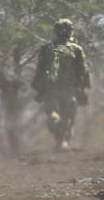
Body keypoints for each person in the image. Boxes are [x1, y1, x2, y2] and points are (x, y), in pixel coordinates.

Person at [31, 19, 91, 151]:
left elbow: (40, 69)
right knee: (69, 116)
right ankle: (63, 141)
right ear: (70, 31)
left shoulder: (46, 48)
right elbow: (84, 70)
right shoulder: (76, 49)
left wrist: (36, 84)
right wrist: (84, 88)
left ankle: (57, 126)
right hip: (69, 88)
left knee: (52, 112)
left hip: (50, 87)